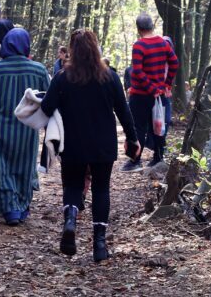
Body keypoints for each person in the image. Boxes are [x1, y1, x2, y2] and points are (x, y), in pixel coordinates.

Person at [39, 28, 139, 263]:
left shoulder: (63, 78)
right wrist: (133, 138)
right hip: (103, 144)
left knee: (73, 185)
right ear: (96, 48)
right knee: (101, 189)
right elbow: (124, 111)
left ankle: (71, 219)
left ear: (72, 50)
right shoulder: (110, 77)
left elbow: (46, 108)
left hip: (72, 143)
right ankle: (100, 245)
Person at [0, 28, 49, 225]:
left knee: (3, 168)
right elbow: (49, 100)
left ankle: (9, 208)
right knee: (25, 167)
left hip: (1, 128)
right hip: (28, 130)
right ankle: (22, 206)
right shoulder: (39, 70)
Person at [125, 13, 179, 170]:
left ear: (139, 29)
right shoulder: (163, 43)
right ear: (151, 27)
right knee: (158, 125)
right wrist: (165, 85)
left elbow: (138, 72)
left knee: (138, 127)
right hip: (159, 94)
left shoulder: (139, 45)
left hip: (141, 95)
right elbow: (174, 63)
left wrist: (153, 88)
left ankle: (135, 161)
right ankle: (158, 158)